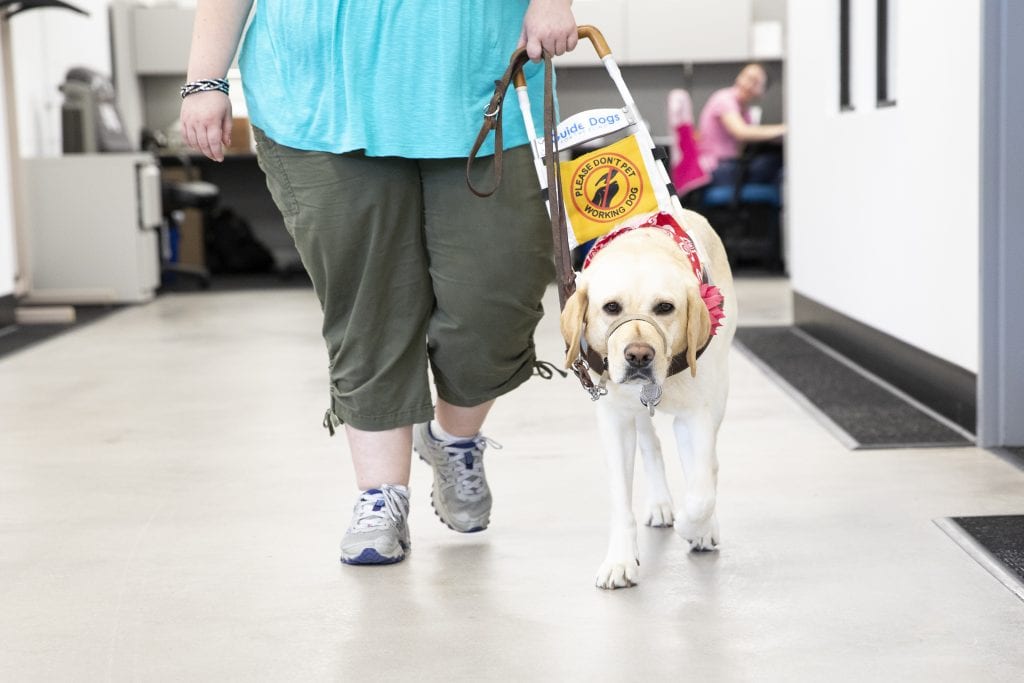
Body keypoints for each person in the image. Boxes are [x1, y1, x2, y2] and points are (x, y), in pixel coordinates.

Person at [180, 0, 578, 565]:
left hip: (486, 85)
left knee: (497, 301)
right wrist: (204, 80)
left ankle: (454, 439)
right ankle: (380, 496)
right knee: (368, 303)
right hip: (318, 95)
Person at [696, 63, 786, 187]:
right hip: (716, 169)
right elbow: (741, 132)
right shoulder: (724, 99)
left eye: (754, 82)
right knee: (776, 162)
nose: (747, 84)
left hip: (730, 166)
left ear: (762, 92)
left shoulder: (745, 111)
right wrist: (784, 128)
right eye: (746, 77)